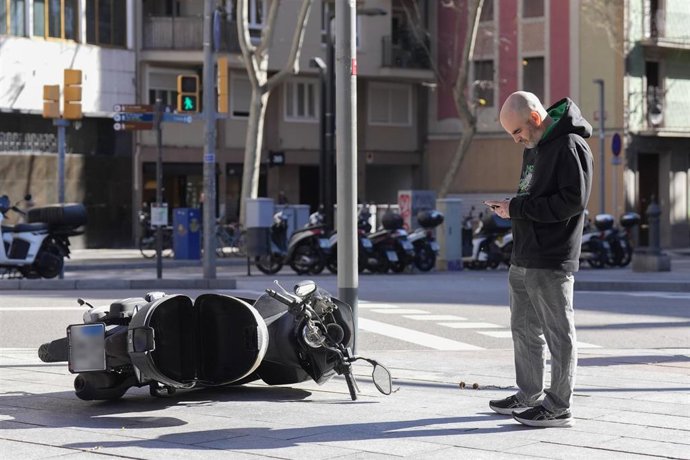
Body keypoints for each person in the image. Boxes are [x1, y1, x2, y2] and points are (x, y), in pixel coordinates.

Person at [484, 91, 593, 428]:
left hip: (552, 256)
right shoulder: (535, 147)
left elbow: (572, 203)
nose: (516, 140)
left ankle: (559, 405)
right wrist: (512, 206)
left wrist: (517, 208)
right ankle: (528, 394)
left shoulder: (570, 145)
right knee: (524, 330)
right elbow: (534, 195)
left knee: (559, 333)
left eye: (517, 132)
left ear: (534, 118)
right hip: (525, 253)